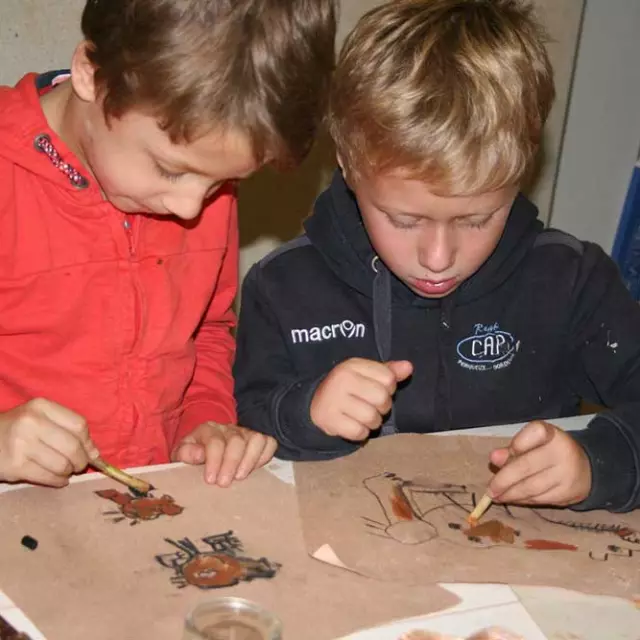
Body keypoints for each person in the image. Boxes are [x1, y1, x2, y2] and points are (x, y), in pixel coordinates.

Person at [234, 0, 640, 512]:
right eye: (405, 221)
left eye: (476, 220)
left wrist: (601, 462)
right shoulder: (282, 289)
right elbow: (246, 427)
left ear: (520, 174)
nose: (438, 257)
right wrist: (305, 413)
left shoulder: (572, 281)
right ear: (348, 165)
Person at [0, 0, 336, 488]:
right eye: (170, 169)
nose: (190, 208)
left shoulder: (196, 175)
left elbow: (205, 331)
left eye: (224, 182)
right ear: (91, 74)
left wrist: (204, 422)